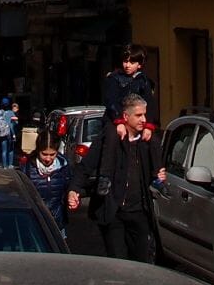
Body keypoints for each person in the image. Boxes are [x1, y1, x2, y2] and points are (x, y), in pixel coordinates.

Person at [69, 94, 165, 262]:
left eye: (144, 114)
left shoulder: (147, 141)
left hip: (139, 212)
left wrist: (160, 177)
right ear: (125, 117)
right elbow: (86, 165)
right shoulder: (111, 138)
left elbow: (156, 172)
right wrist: (74, 189)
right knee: (118, 261)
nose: (143, 119)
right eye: (138, 115)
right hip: (114, 211)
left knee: (142, 261)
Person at [20, 131, 76, 237]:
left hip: (57, 222)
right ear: (38, 150)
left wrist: (72, 195)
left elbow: (70, 186)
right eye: (44, 154)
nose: (48, 158)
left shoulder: (64, 166)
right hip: (34, 223)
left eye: (52, 154)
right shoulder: (27, 168)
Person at [103, 45, 159, 126]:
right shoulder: (115, 78)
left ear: (139, 65)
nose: (127, 65)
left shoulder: (144, 80)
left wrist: (148, 126)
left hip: (137, 122)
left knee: (153, 138)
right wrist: (119, 121)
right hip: (115, 120)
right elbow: (111, 102)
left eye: (132, 63)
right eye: (125, 61)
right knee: (112, 137)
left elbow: (149, 104)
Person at [0, 97, 17, 168]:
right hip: (10, 132)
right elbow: (15, 123)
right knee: (11, 149)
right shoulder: (11, 112)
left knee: (4, 150)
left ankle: (4, 166)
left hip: (2, 132)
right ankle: (10, 164)